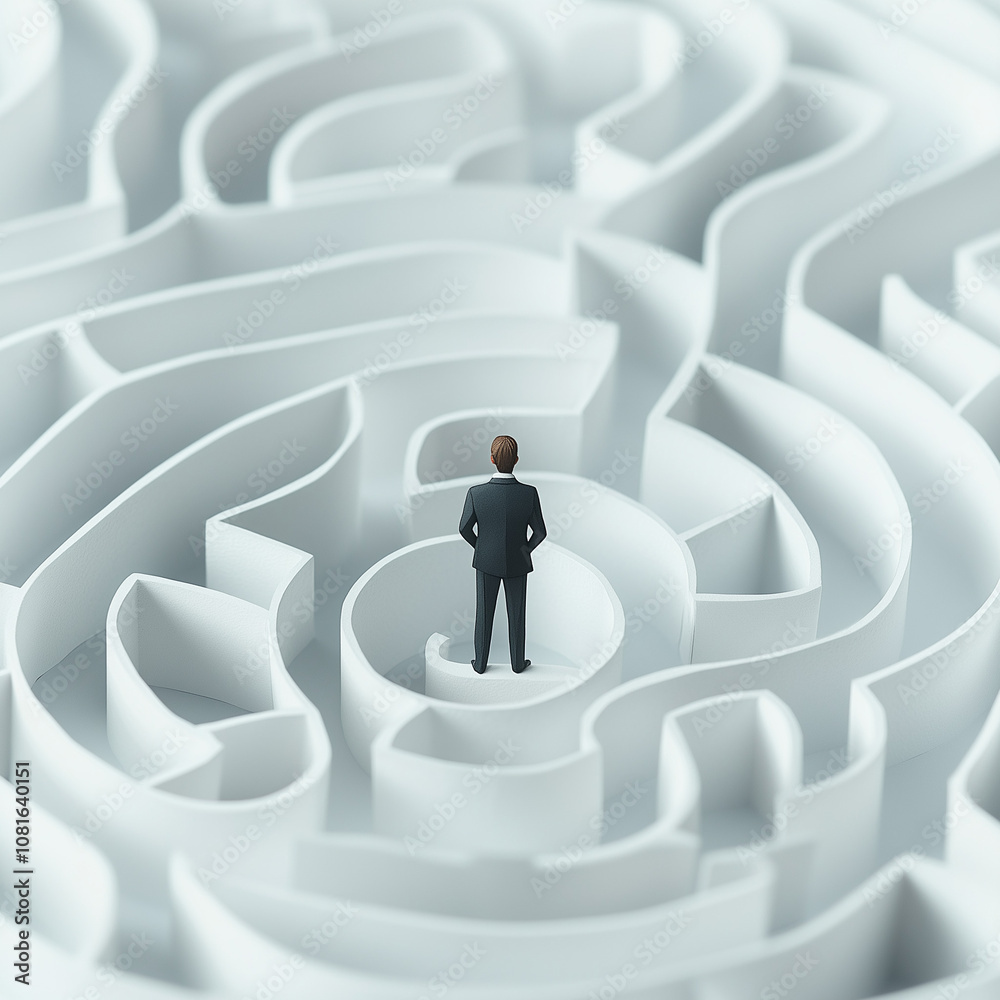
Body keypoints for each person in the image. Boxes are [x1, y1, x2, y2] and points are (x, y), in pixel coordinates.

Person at [458, 435, 546, 674]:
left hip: (486, 561)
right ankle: (517, 663)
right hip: (518, 562)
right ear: (516, 460)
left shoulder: (476, 493)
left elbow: (464, 528)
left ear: (492, 459)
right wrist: (524, 550)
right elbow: (540, 532)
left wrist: (481, 547)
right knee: (517, 615)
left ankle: (480, 664)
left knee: (484, 614)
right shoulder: (529, 493)